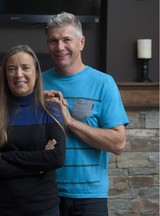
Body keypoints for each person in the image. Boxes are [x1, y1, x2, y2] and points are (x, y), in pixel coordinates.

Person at [42, 12, 129, 216]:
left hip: (90, 197)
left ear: (81, 42)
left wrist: (69, 122)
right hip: (45, 193)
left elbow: (118, 143)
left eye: (66, 40)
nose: (60, 47)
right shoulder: (38, 83)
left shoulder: (104, 83)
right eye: (53, 41)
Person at [0, 44, 66, 216]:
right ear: (5, 75)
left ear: (36, 72)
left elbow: (56, 158)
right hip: (1, 208)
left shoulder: (51, 110)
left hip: (44, 208)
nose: (19, 74)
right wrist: (38, 166)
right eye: (12, 69)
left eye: (25, 67)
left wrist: (6, 156)